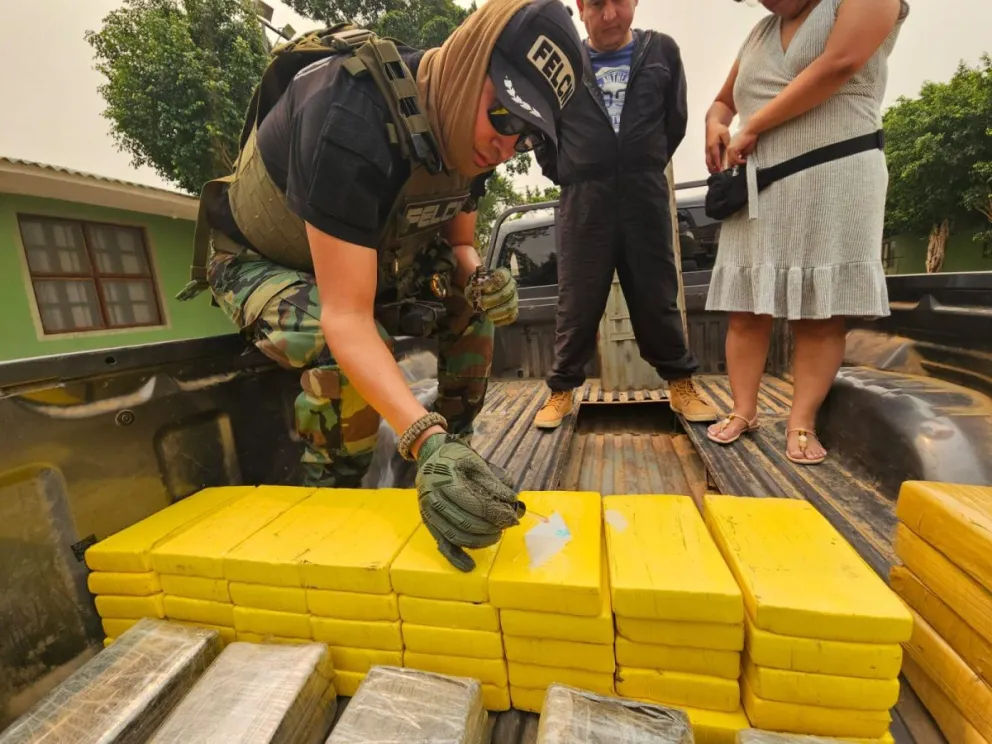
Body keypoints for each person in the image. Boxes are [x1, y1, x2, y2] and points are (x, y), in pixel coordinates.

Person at [175, 0, 585, 570]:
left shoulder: (471, 132)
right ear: (469, 64)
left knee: (470, 303)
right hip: (262, 266)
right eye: (507, 117)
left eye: (529, 137)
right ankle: (337, 499)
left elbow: (462, 246)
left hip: (365, 266)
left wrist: (484, 281)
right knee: (330, 338)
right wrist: (418, 430)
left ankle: (452, 464)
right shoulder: (350, 115)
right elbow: (345, 316)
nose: (507, 145)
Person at [703, 0, 909, 464]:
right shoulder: (760, 32)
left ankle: (801, 422)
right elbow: (723, 100)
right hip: (759, 186)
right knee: (746, 309)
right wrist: (715, 123)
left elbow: (840, 63)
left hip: (834, 173)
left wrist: (752, 124)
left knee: (819, 313)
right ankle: (743, 410)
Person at [531, 0, 719, 430]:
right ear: (581, 7)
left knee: (658, 293)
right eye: (598, 4)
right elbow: (542, 131)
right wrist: (571, 172)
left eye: (619, 1)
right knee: (576, 300)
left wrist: (641, 160)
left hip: (644, 194)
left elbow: (675, 122)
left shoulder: (662, 52)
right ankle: (561, 392)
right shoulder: (562, 63)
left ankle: (681, 384)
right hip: (584, 199)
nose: (611, 15)